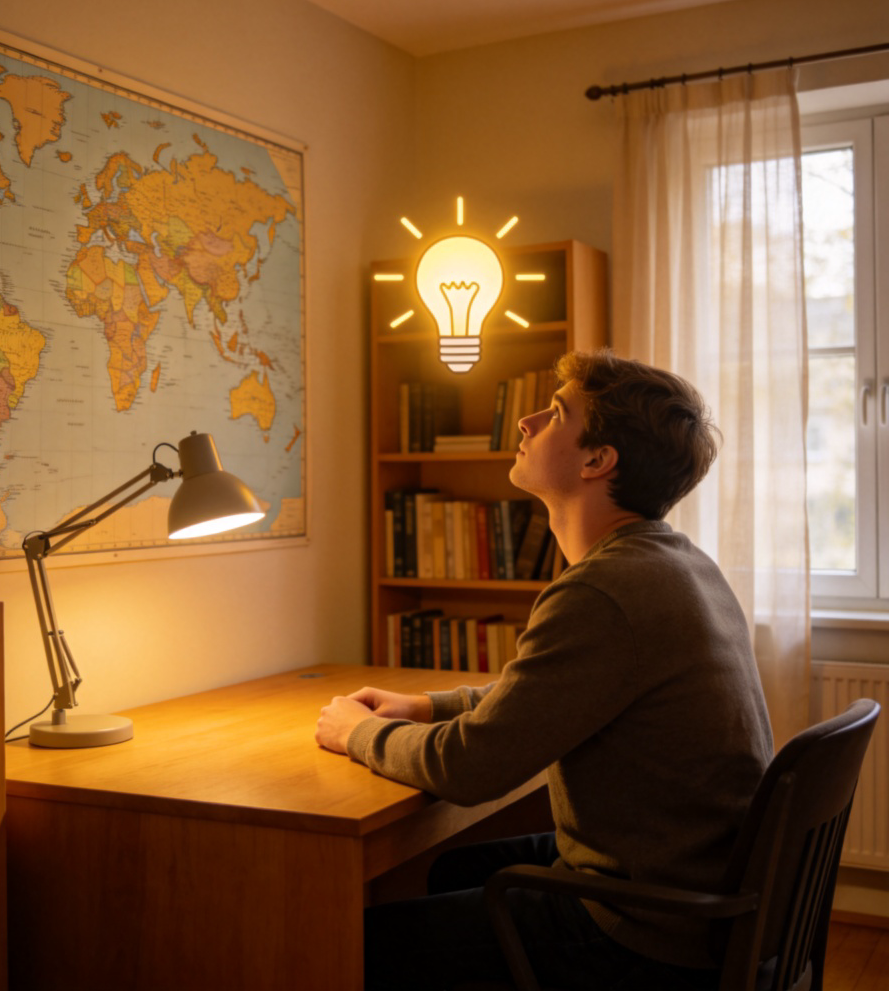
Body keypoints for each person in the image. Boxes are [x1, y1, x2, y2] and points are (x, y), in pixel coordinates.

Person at [315, 349, 774, 990]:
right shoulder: (676, 563)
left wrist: (354, 734)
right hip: (695, 893)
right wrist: (425, 706)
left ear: (597, 461)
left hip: (644, 929)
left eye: (556, 412)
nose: (527, 421)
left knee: (349, 948)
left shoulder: (605, 589)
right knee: (450, 870)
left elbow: (468, 769)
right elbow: (547, 693)